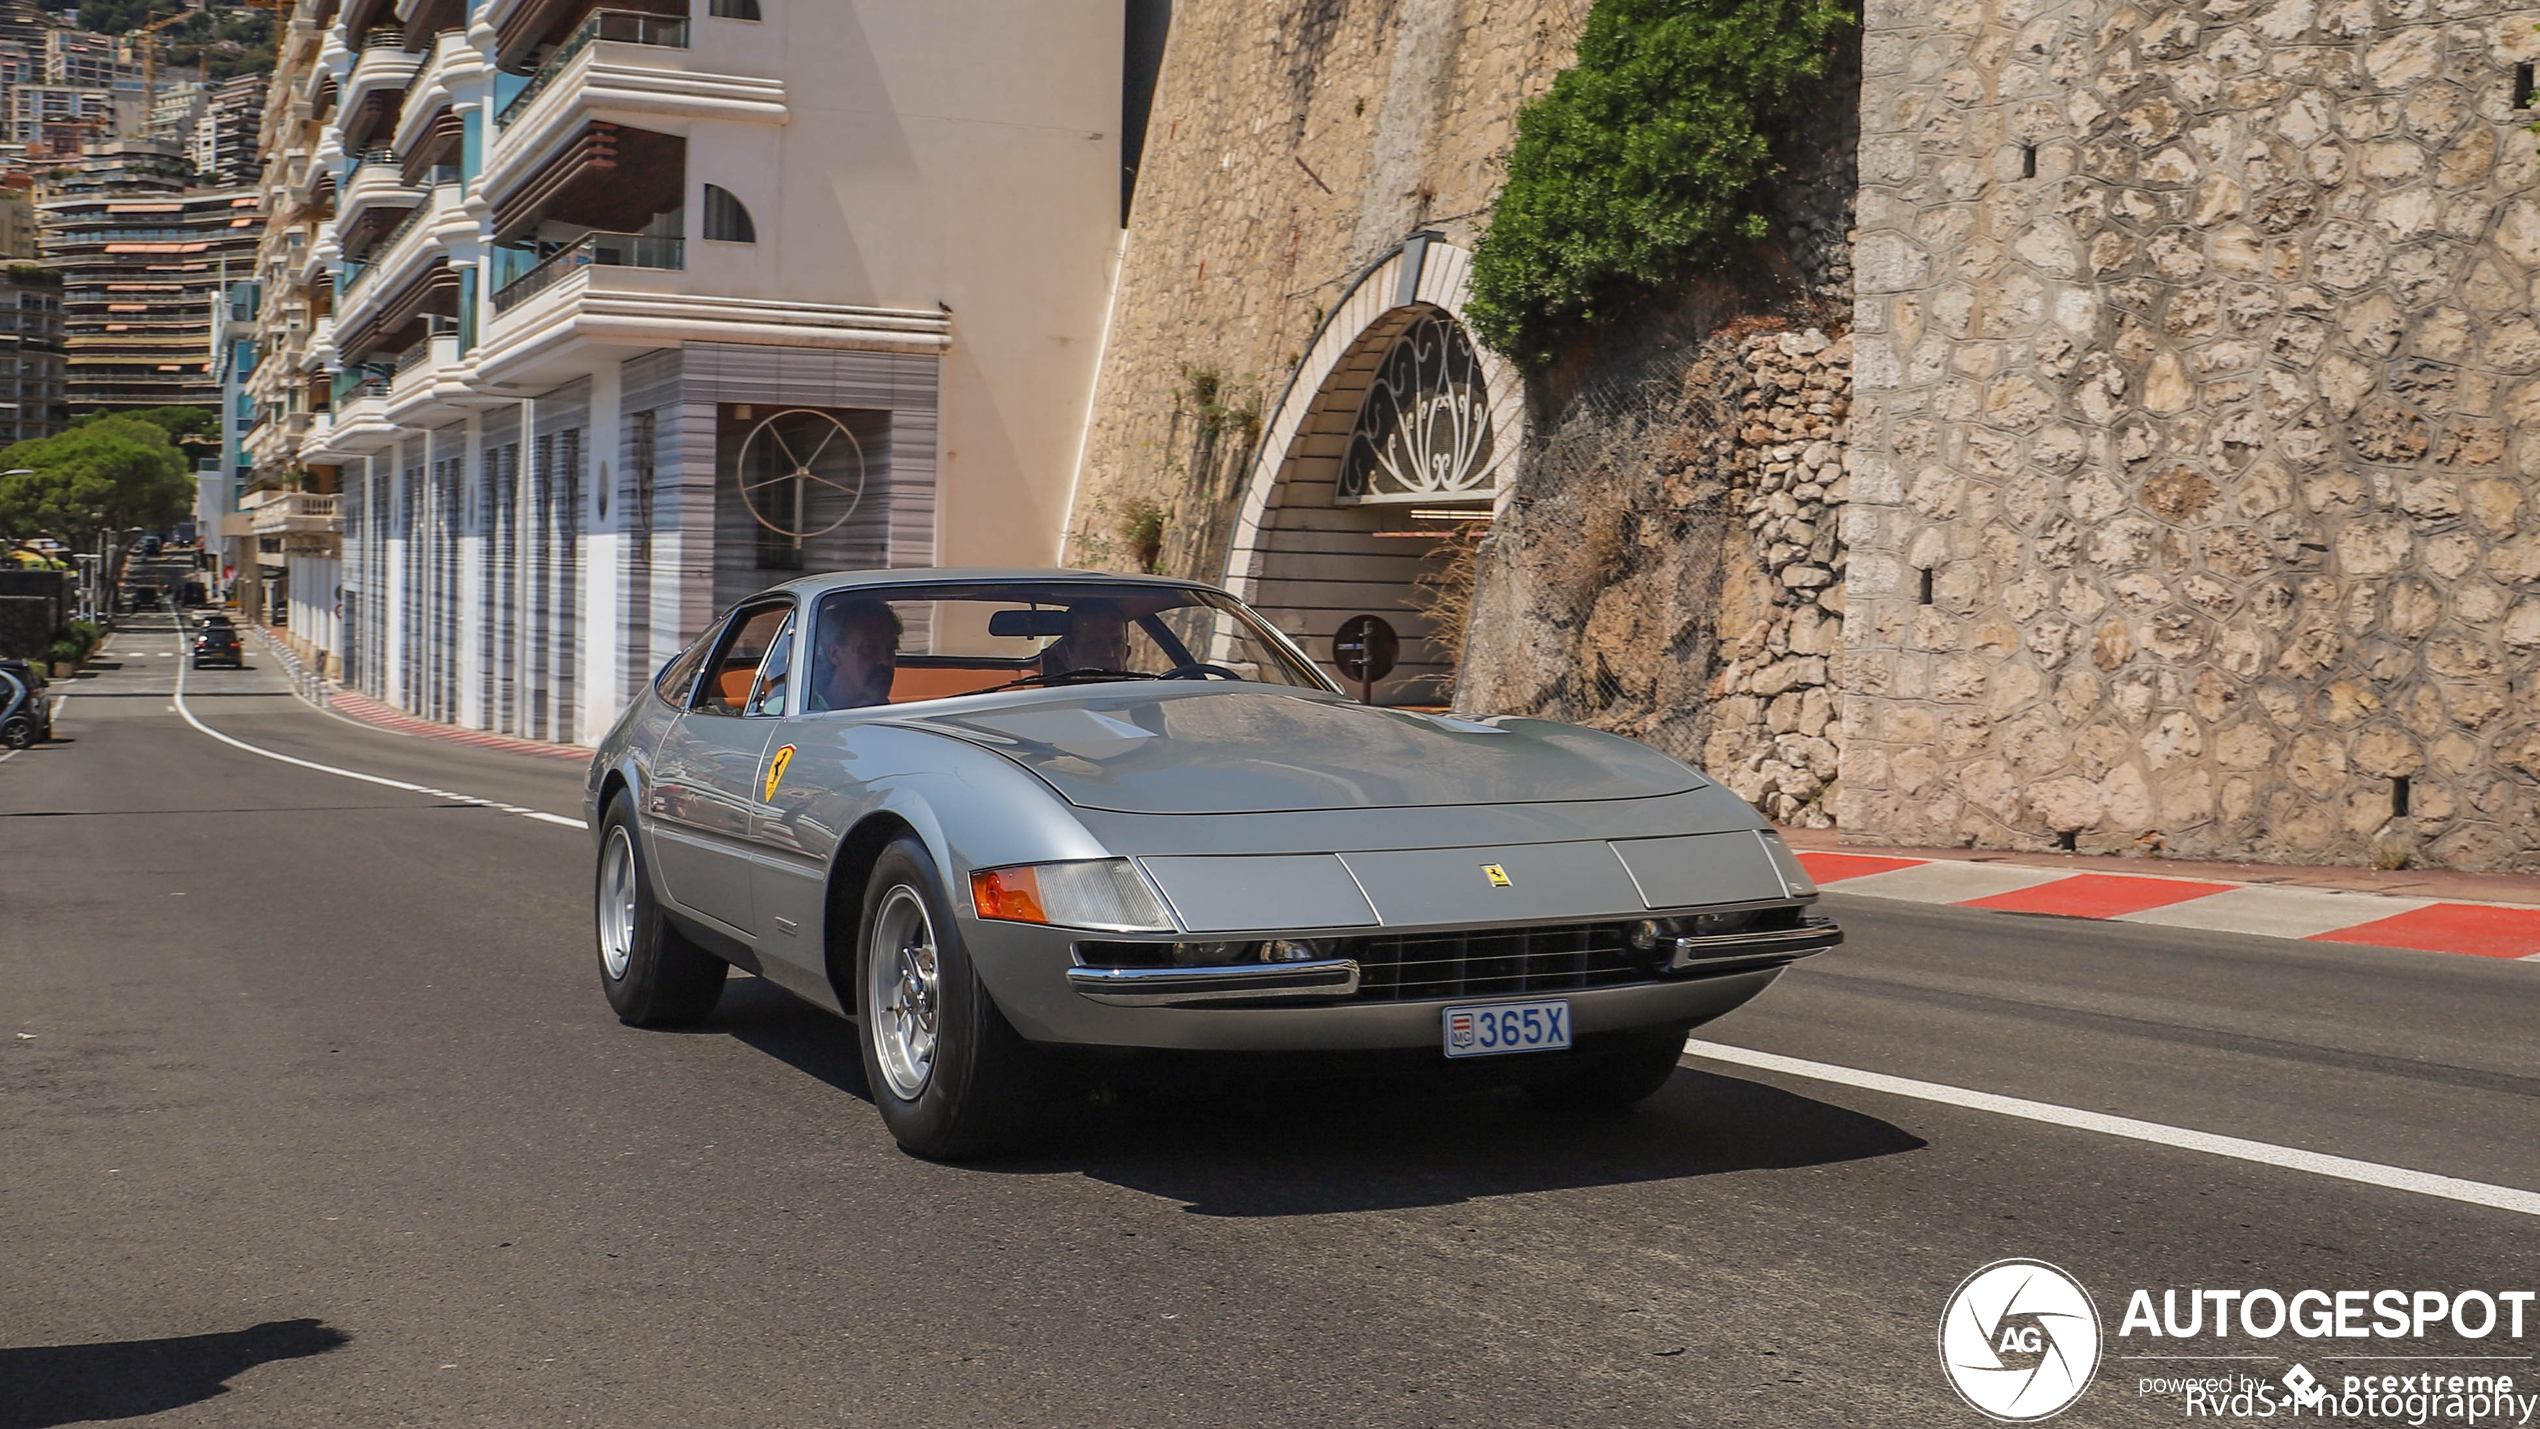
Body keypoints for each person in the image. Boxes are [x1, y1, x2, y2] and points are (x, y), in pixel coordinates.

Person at [812, 599, 900, 710]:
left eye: (891, 649)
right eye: (869, 648)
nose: (885, 661)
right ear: (835, 654)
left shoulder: (896, 720)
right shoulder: (794, 712)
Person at [1041, 599, 1130, 678]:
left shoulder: (1140, 692)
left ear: (1127, 653)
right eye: (1095, 644)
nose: (1110, 653)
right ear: (1066, 656)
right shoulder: (1054, 696)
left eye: (1117, 643)